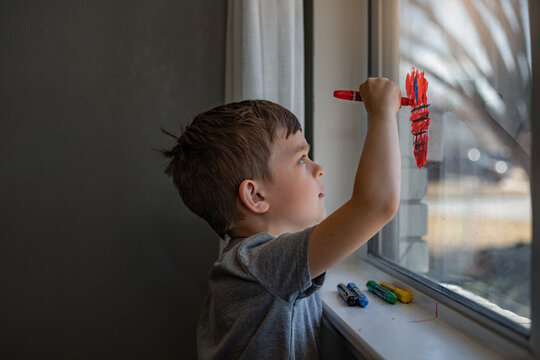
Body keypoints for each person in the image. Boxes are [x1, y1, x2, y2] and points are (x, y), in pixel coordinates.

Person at [160, 78, 402, 359]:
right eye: (301, 159)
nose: (319, 168)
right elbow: (375, 205)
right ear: (256, 197)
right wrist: (382, 113)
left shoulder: (248, 265)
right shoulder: (258, 264)